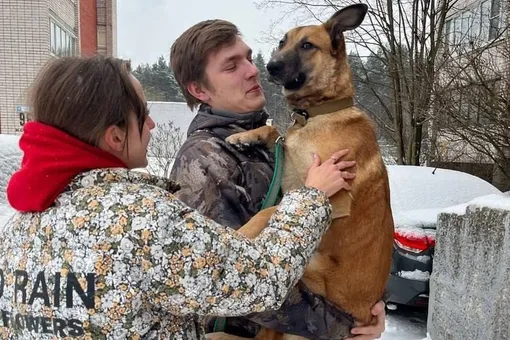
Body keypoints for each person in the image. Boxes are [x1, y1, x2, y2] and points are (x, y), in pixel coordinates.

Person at [0, 56, 355, 339]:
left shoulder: (16, 232)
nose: (153, 125)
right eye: (144, 114)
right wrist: (312, 198)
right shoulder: (143, 220)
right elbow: (259, 280)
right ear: (114, 137)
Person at [169, 19, 386, 339]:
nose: (253, 70)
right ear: (199, 90)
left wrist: (371, 305)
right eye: (232, 66)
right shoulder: (203, 160)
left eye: (249, 58)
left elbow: (361, 228)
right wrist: (344, 324)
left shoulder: (272, 137)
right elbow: (230, 280)